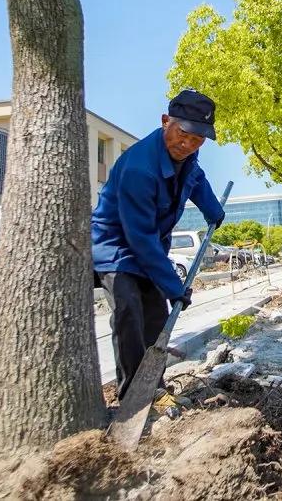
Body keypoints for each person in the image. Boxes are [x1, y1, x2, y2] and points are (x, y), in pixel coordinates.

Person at [91, 90, 225, 400]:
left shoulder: (187, 156)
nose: (188, 144)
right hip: (116, 247)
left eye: (198, 139)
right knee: (129, 313)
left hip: (148, 245)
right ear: (166, 121)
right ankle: (131, 395)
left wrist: (213, 210)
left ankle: (155, 387)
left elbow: (196, 179)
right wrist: (173, 285)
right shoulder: (140, 167)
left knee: (156, 317)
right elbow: (140, 238)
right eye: (184, 134)